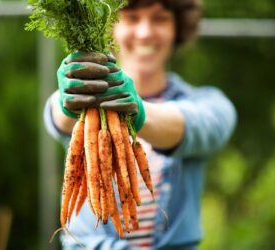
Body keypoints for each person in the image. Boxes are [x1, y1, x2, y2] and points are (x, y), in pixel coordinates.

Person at [44, 0, 237, 249]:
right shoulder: (84, 106)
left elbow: (198, 125)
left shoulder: (209, 104)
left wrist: (139, 111)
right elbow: (56, 117)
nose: (145, 32)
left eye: (160, 19)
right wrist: (70, 94)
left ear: (178, 27)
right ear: (109, 27)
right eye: (132, 18)